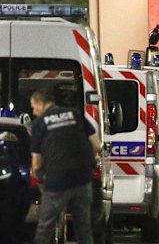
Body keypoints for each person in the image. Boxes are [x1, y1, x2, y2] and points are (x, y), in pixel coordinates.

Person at [30, 88, 101, 244]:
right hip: (82, 179)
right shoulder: (75, 114)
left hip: (57, 181)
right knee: (83, 228)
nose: (34, 112)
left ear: (41, 104)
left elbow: (36, 164)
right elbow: (97, 145)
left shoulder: (39, 124)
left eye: (34, 107)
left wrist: (41, 182)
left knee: (44, 228)